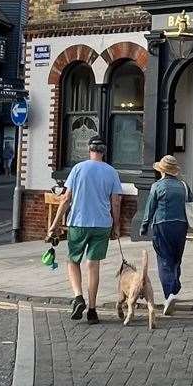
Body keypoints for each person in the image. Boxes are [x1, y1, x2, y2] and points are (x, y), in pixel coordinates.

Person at [63, 137, 122, 325]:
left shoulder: (78, 169)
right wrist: (116, 224)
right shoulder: (111, 171)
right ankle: (92, 310)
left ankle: (78, 297)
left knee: (73, 261)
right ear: (104, 152)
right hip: (102, 223)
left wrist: (55, 224)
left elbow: (66, 198)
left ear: (89, 150)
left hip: (78, 222)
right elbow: (116, 201)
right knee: (93, 265)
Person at [141, 155, 190, 315]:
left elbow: (150, 209)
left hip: (162, 225)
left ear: (162, 171)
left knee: (164, 260)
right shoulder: (184, 186)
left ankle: (169, 294)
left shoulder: (157, 186)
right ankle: (175, 285)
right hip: (181, 225)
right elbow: (192, 205)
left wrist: (144, 226)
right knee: (176, 258)